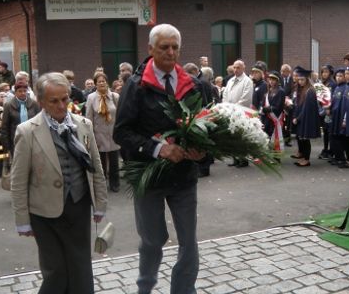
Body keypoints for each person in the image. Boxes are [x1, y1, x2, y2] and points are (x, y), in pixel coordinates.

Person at [113, 23, 206, 294]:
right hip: (148, 178)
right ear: (151, 49)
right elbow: (122, 132)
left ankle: (183, 290)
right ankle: (146, 288)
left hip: (184, 178)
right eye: (164, 47)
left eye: (175, 47)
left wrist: (201, 151)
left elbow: (206, 126)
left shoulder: (194, 85)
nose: (170, 52)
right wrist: (158, 149)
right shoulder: (136, 86)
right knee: (153, 241)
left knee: (189, 242)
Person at [11, 72, 107, 293]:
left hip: (79, 205)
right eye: (54, 101)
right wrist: (22, 220)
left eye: (65, 99)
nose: (61, 105)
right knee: (56, 270)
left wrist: (99, 202)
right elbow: (18, 180)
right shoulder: (27, 132)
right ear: (42, 102)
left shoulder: (83, 125)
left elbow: (96, 168)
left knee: (81, 265)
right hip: (44, 213)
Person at [85, 72, 121, 192]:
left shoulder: (115, 97)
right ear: (95, 84)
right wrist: (89, 134)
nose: (102, 83)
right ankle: (101, 183)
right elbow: (88, 117)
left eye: (103, 81)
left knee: (114, 160)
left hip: (113, 133)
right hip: (98, 134)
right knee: (100, 161)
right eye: (99, 81)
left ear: (107, 82)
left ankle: (115, 183)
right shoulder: (91, 98)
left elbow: (120, 114)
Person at [223, 59, 253, 168]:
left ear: (243, 68)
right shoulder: (230, 81)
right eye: (234, 67)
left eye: (238, 67)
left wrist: (234, 107)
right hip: (230, 113)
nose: (235, 70)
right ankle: (235, 158)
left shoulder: (247, 81)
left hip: (241, 113)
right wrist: (225, 107)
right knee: (233, 136)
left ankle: (243, 159)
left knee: (241, 137)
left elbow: (246, 98)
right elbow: (225, 95)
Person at [291, 67, 321, 167]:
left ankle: (307, 160)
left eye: (302, 79)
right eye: (299, 79)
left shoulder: (310, 91)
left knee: (305, 139)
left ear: (307, 79)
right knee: (302, 139)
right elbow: (298, 105)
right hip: (301, 118)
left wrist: (298, 118)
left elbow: (306, 109)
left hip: (305, 118)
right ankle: (303, 157)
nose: (300, 81)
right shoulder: (302, 89)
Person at [0, 81, 40, 156]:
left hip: (32, 139)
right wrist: (7, 147)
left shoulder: (34, 104)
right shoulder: (8, 105)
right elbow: (4, 127)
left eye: (25, 91)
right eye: (20, 91)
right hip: (16, 140)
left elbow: (40, 122)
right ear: (15, 92)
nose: (23, 93)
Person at [262, 71, 286, 153]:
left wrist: (267, 109)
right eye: (270, 79)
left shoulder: (281, 91)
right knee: (268, 137)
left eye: (273, 79)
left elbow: (278, 107)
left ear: (277, 81)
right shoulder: (269, 90)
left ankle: (277, 157)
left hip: (276, 118)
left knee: (276, 137)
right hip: (267, 118)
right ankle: (270, 154)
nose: (271, 81)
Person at [329, 68, 348, 166]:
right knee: (333, 137)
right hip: (334, 116)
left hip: (340, 117)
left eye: (341, 76)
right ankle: (336, 157)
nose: (338, 78)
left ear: (345, 77)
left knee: (338, 139)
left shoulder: (346, 88)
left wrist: (345, 119)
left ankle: (341, 158)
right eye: (337, 76)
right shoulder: (336, 88)